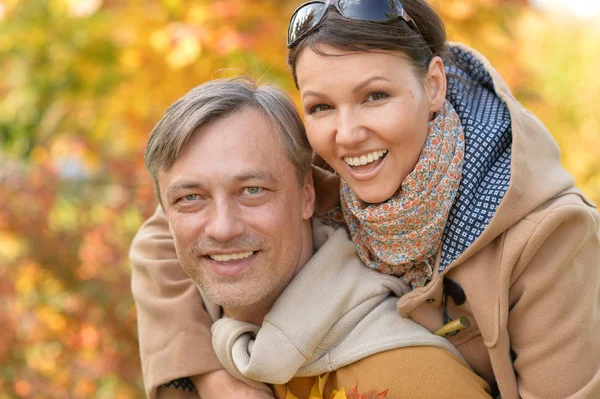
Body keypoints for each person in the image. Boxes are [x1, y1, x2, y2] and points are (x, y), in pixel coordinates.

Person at [131, 0, 600, 398]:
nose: (348, 134)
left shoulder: (548, 237)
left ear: (432, 86)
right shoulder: (320, 165)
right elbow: (167, 232)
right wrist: (212, 377)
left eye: (375, 96)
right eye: (320, 106)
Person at [135, 77, 491, 399]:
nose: (222, 228)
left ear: (308, 194)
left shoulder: (415, 380)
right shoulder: (211, 350)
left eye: (252, 190)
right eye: (190, 198)